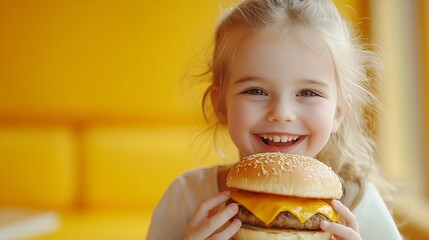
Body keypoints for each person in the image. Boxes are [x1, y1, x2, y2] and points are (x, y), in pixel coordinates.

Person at [146, 0, 403, 239]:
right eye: (256, 91)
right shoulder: (186, 196)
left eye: (308, 93)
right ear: (220, 105)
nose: (281, 113)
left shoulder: (361, 204)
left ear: (337, 112)